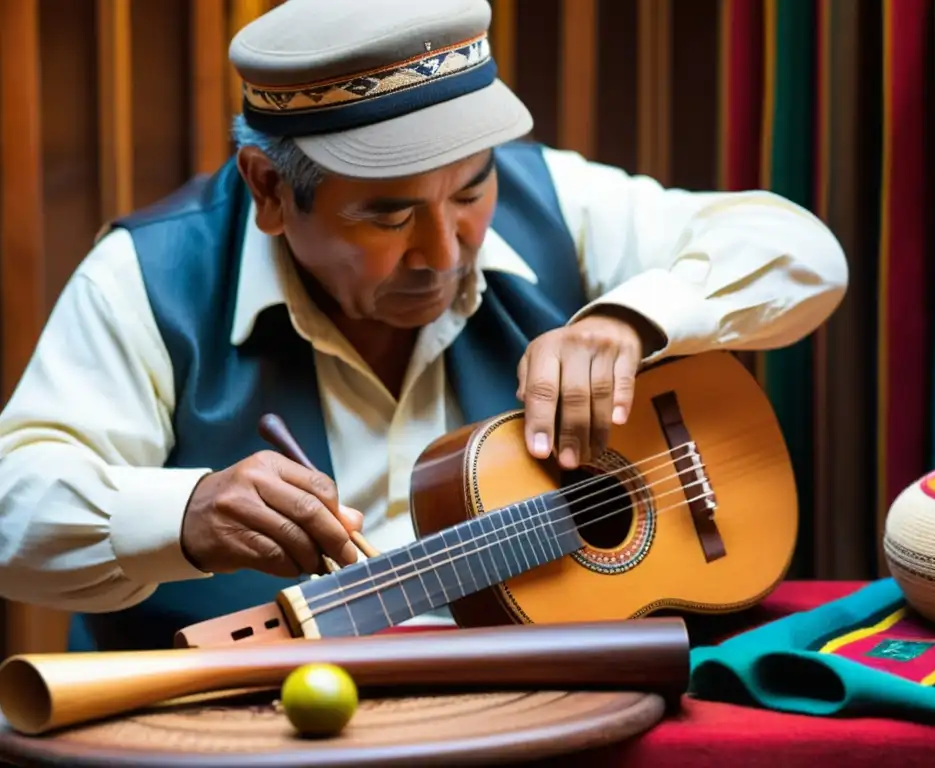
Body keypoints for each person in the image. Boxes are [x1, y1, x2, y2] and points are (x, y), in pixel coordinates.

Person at [0, 0, 848, 651]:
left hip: (541, 718)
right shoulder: (148, 276)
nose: (444, 252)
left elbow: (802, 253)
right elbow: (13, 509)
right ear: (266, 188)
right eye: (387, 214)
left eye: (471, 192)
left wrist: (630, 319)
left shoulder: (548, 195)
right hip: (246, 738)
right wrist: (183, 511)